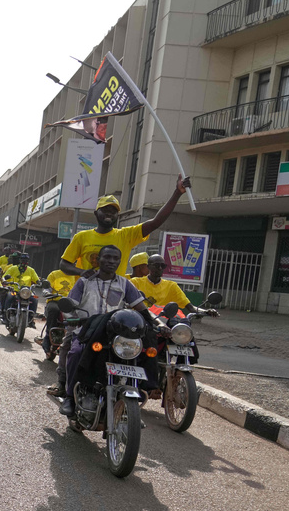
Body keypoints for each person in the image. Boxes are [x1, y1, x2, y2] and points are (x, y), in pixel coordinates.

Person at [60, 245, 159, 416]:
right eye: (107, 257)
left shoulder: (125, 284)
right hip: (87, 331)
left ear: (120, 262)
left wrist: (157, 324)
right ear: (98, 260)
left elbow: (141, 307)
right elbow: (70, 306)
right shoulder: (85, 281)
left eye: (115, 258)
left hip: (115, 334)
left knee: (140, 352)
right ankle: (69, 396)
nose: (111, 261)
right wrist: (72, 319)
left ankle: (136, 397)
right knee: (76, 352)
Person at [60, 174, 191, 279]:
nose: (109, 213)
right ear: (96, 213)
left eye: (113, 211)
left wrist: (177, 193)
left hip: (114, 296)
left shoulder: (125, 235)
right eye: (105, 209)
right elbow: (64, 264)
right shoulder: (82, 237)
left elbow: (156, 222)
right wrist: (82, 272)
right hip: (85, 295)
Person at [131, 254, 220, 318]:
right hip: (142, 321)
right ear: (148, 267)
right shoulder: (135, 283)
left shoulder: (171, 286)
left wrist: (206, 311)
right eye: (157, 265)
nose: (160, 268)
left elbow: (190, 307)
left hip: (165, 324)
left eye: (163, 266)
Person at [2, 252, 41, 326]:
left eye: (26, 260)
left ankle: (31, 318)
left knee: (34, 299)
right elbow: (4, 277)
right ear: (19, 260)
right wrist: (5, 280)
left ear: (28, 261)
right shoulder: (13, 268)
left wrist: (39, 282)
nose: (24, 261)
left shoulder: (31, 270)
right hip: (15, 290)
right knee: (10, 296)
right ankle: (5, 316)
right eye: (23, 259)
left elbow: (36, 279)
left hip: (26, 292)